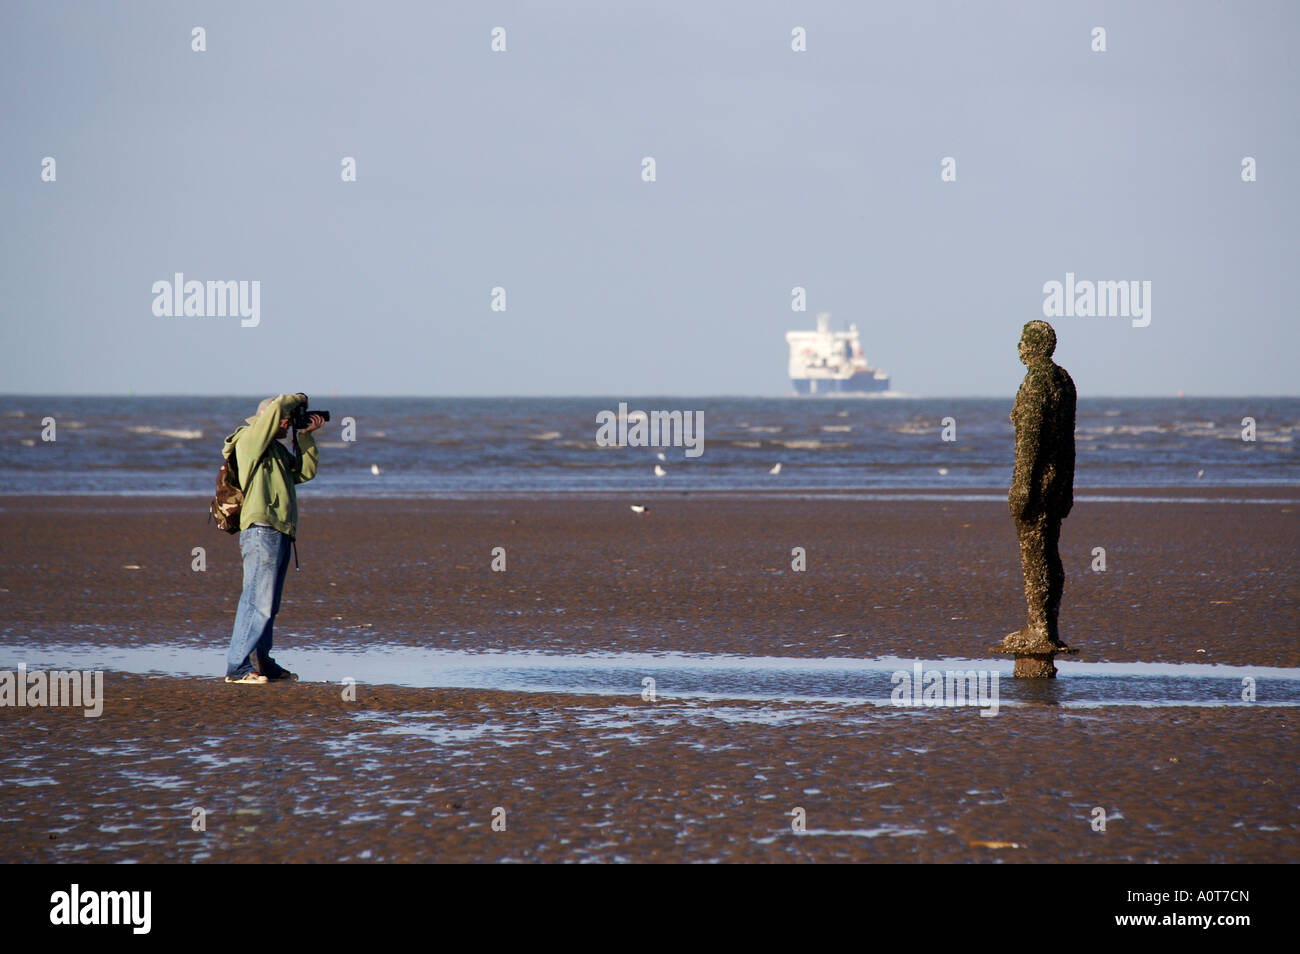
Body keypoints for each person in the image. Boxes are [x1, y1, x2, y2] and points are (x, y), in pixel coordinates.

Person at [222, 393, 325, 684]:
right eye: (286, 418)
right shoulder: (248, 441)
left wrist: (304, 436)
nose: (288, 422)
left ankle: (261, 662)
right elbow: (278, 408)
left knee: (269, 603)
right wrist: (296, 399)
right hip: (261, 528)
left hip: (280, 530)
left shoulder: (276, 450)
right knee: (256, 600)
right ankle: (238, 668)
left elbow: (304, 472)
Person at [1003, 321, 1076, 653]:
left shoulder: (1036, 381)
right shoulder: (1065, 381)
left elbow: (1030, 440)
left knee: (1035, 555)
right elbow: (1069, 442)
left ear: (1030, 346)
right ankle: (1049, 625)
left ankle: (1039, 628)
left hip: (1037, 485)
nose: (1018, 348)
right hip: (1058, 483)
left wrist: (1021, 488)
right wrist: (1068, 487)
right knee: (1050, 553)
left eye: (1021, 342)